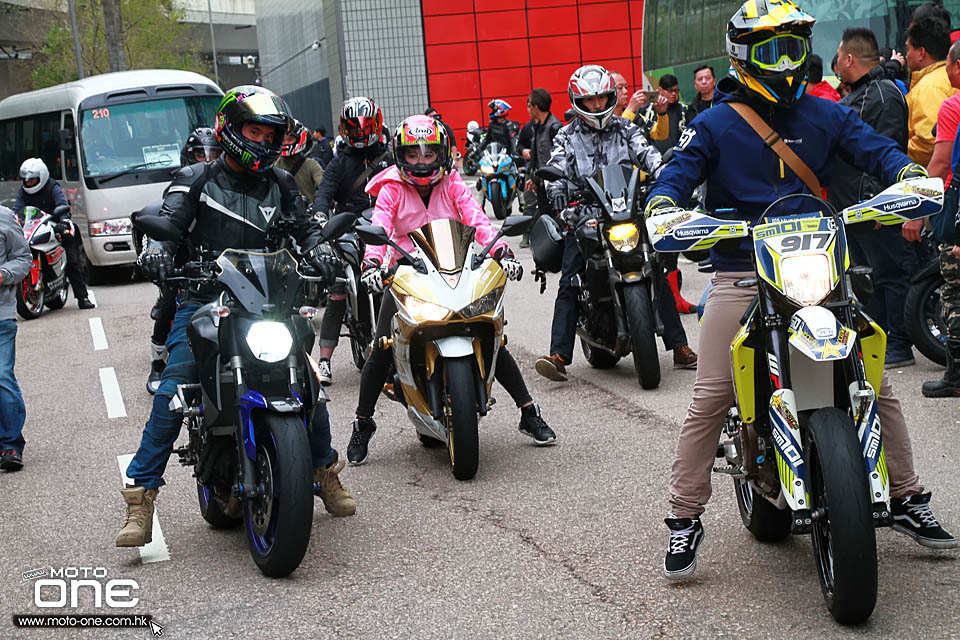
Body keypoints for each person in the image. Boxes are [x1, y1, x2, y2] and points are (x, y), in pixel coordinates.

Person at [645, 0, 957, 581]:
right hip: (742, 270)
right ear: (743, 57)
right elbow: (675, 174)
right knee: (712, 393)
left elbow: (877, 149)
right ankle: (684, 515)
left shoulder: (825, 113)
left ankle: (909, 496)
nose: (785, 62)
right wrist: (665, 205)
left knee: (874, 382)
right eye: (771, 50)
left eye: (793, 47)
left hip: (821, 268)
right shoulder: (712, 122)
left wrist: (907, 174)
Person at [116, 86, 355, 548]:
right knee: (174, 389)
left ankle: (324, 470)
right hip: (206, 301)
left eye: (271, 135)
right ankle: (140, 497)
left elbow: (306, 229)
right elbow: (168, 223)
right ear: (231, 129)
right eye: (254, 131)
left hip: (267, 302)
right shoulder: (196, 179)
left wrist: (323, 250)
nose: (263, 142)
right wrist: (159, 253)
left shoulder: (282, 184)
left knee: (308, 382)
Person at [346, 115, 556, 465]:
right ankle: (363, 422)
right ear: (401, 155)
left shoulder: (452, 183)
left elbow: (476, 219)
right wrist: (371, 263)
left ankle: (528, 411)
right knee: (382, 345)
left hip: (454, 268)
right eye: (413, 154)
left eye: (429, 154)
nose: (422, 161)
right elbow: (379, 226)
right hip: (406, 272)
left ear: (442, 153)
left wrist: (501, 251)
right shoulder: (393, 187)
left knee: (489, 332)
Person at [535, 64, 697, 383]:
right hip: (583, 214)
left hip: (627, 212)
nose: (597, 105)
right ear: (578, 102)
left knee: (656, 269)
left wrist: (670, 180)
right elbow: (555, 167)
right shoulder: (566, 136)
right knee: (570, 279)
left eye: (602, 98)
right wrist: (555, 190)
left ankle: (679, 346)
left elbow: (649, 156)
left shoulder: (627, 129)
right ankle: (559, 355)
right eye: (590, 100)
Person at [830, 27, 916, 368]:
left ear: (849, 58)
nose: (836, 60)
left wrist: (880, 204)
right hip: (854, 209)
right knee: (867, 278)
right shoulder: (862, 93)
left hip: (874, 209)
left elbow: (887, 153)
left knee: (889, 275)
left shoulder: (882, 95)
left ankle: (897, 344)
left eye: (839, 55)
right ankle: (879, 339)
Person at [312, 97, 393, 386]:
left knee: (402, 281)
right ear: (345, 128)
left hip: (385, 229)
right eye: (353, 128)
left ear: (376, 124)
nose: (360, 133)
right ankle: (324, 361)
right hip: (349, 228)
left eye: (365, 127)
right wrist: (321, 214)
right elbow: (324, 192)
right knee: (338, 288)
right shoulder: (338, 162)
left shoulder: (390, 156)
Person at [145, 128, 222, 395]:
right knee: (169, 301)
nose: (207, 159)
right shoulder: (181, 184)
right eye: (201, 153)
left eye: (213, 153)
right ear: (188, 156)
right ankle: (157, 359)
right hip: (185, 257)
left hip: (226, 264)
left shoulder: (231, 185)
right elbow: (167, 221)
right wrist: (158, 252)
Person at [922, 39, 960, 396]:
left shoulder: (952, 106)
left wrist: (916, 211)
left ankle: (956, 376)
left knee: (955, 293)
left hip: (955, 207)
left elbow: (941, 163)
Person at [14, 158, 94, 310]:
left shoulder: (52, 187)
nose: (28, 183)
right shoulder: (22, 191)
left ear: (42, 176)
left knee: (72, 259)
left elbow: (62, 204)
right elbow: (17, 209)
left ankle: (83, 298)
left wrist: (63, 220)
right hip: (33, 228)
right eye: (26, 181)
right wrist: (13, 221)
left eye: (32, 180)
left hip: (54, 225)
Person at [0, 205, 32, 471]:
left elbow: (23, 259)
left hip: (1, 315)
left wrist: (2, 274)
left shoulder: (3, 217)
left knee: (1, 376)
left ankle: (10, 443)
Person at [904, 16, 956, 168]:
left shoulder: (929, 87)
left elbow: (928, 142)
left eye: (908, 49)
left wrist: (895, 154)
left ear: (921, 53)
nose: (906, 55)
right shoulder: (944, 77)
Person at [275, 118, 324, 201]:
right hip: (281, 211)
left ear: (299, 139)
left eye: (289, 139)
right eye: (283, 140)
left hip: (307, 212)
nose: (285, 143)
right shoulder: (274, 164)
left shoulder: (311, 165)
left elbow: (324, 186)